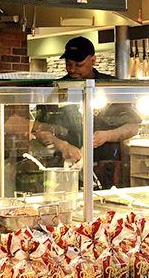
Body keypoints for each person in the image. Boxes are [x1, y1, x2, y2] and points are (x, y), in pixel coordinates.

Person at [33, 36, 141, 188]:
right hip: (64, 171)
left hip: (106, 172)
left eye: (79, 64)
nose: (72, 69)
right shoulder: (56, 89)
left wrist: (107, 135)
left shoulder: (112, 87)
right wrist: (62, 146)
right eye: (68, 64)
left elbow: (133, 127)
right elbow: (38, 129)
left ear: (93, 60)